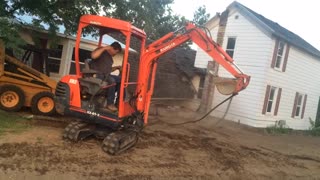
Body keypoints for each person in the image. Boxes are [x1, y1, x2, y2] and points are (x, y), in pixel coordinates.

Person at [90, 41, 122, 112]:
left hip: (106, 75)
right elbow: (93, 56)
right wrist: (105, 48)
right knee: (112, 81)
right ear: (112, 48)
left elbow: (108, 70)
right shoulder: (101, 51)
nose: (115, 54)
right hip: (97, 74)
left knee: (121, 80)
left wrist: (117, 67)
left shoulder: (109, 58)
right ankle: (109, 103)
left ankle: (118, 102)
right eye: (116, 52)